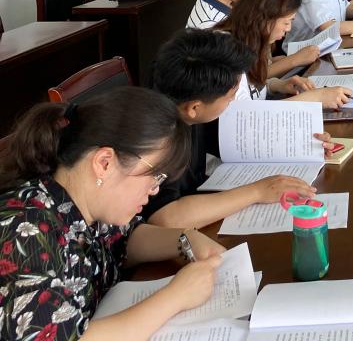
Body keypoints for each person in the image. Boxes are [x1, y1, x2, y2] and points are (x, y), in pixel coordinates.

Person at [0, 86, 224, 340]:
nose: (154, 190)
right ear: (104, 163)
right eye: (155, 175)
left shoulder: (83, 202)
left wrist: (184, 239)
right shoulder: (23, 235)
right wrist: (176, 298)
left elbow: (124, 240)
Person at [145, 29, 320, 230]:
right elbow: (165, 217)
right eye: (230, 97)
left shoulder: (188, 99)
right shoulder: (157, 139)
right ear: (194, 108)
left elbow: (241, 139)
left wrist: (307, 142)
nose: (234, 101)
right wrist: (258, 192)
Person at [216, 0, 353, 106]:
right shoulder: (226, 49)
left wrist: (277, 85)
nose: (288, 29)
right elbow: (244, 113)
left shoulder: (253, 40)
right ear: (265, 17)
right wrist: (315, 98)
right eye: (286, 22)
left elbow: (250, 87)